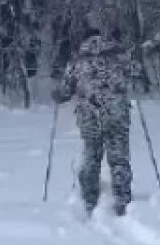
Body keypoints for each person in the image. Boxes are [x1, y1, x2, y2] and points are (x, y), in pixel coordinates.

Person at [54, 29, 138, 217]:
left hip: (89, 115)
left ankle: (89, 196)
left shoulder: (77, 61)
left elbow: (65, 91)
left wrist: (58, 95)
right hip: (117, 113)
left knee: (92, 154)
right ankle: (122, 195)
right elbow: (136, 72)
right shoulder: (118, 56)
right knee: (119, 156)